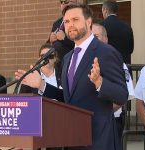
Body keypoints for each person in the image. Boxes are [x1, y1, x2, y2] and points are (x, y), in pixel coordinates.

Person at [15, 3, 128, 150]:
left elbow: (122, 96)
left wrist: (100, 82)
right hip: (72, 140)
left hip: (98, 140)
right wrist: (42, 85)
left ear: (88, 22)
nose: (70, 25)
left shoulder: (106, 52)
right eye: (67, 21)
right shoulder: (68, 58)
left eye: (75, 19)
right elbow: (69, 99)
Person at [92, 23, 135, 142]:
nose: (92, 41)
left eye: (95, 36)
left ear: (105, 40)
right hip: (87, 123)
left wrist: (100, 115)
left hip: (110, 121)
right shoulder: (81, 63)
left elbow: (123, 97)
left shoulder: (117, 63)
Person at [99, 1, 134, 65]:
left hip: (107, 66)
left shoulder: (100, 27)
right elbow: (131, 49)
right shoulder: (127, 26)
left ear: (105, 10)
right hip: (125, 66)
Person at [46, 0, 76, 73]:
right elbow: (47, 44)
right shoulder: (57, 23)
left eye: (66, 2)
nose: (63, 4)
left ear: (74, 2)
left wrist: (64, 38)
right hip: (57, 65)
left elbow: (81, 40)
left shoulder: (77, 21)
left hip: (71, 63)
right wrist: (50, 40)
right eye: (61, 2)